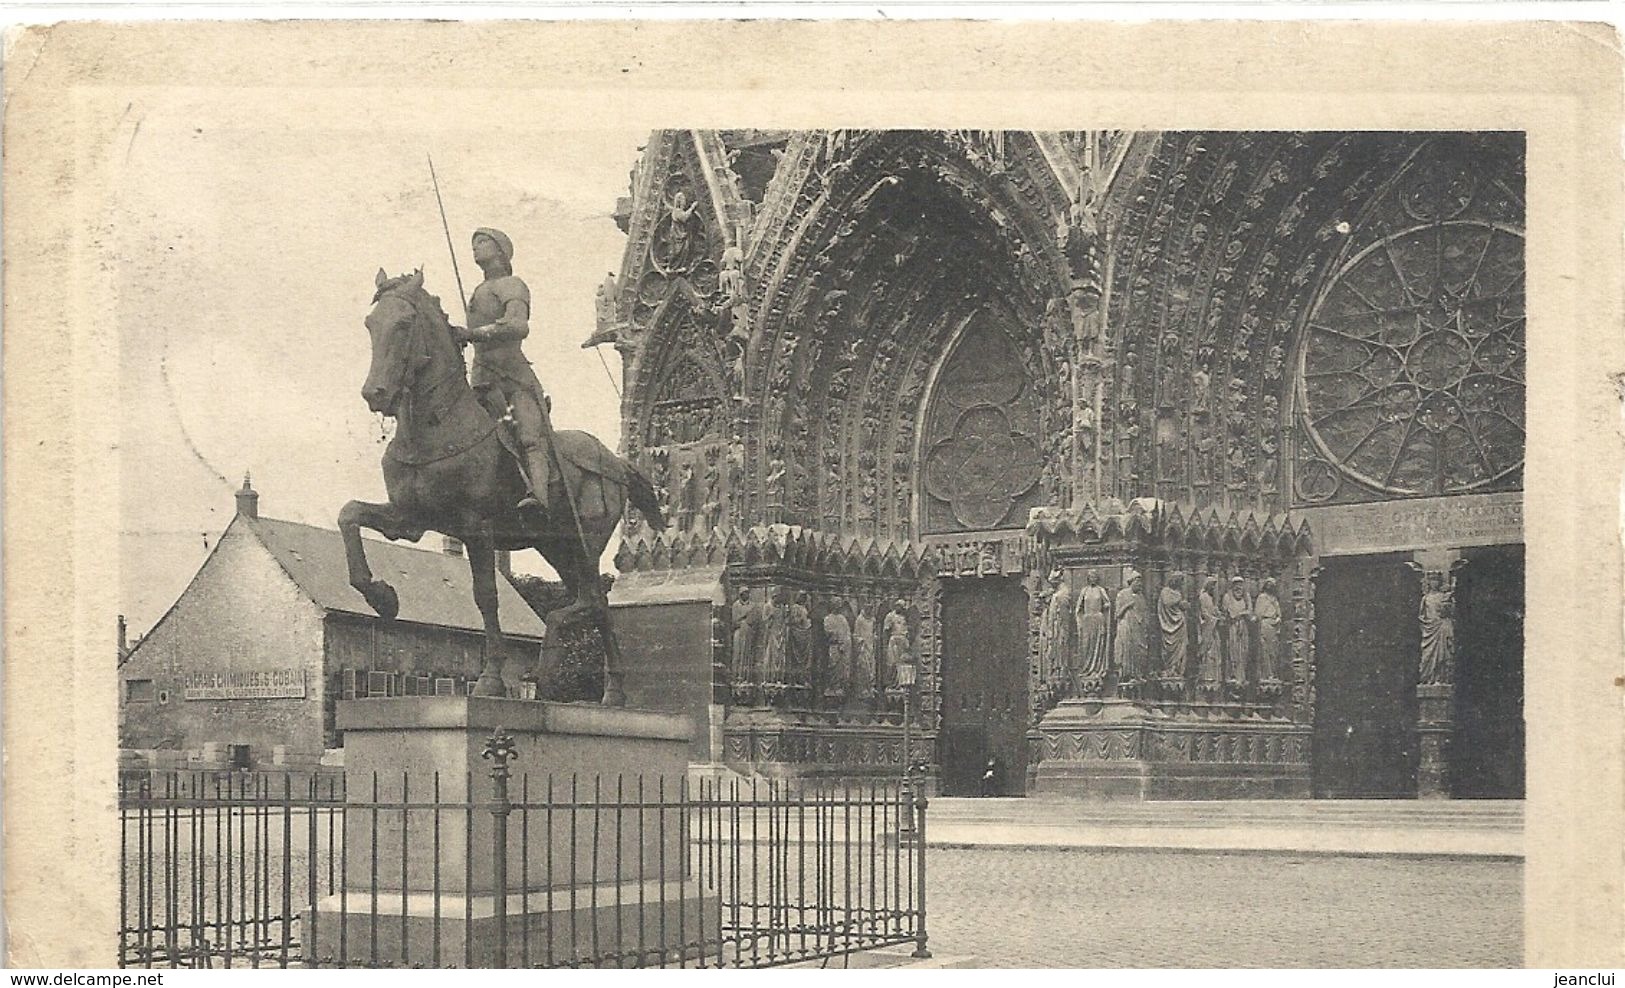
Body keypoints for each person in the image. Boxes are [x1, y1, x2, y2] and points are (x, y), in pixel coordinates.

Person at [455, 228, 552, 516]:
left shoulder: (512, 284)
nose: (475, 248)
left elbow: (517, 326)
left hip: (513, 379)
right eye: (473, 243)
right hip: (482, 379)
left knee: (528, 437)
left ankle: (539, 496)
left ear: (500, 250)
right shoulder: (478, 291)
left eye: (482, 242)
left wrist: (472, 334)